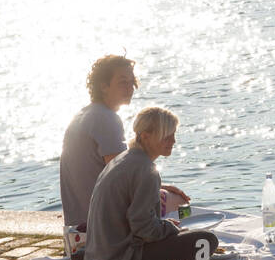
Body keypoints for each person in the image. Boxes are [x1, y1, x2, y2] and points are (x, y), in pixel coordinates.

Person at [84, 106, 217, 260]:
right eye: (167, 136)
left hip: (99, 256)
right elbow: (144, 229)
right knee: (206, 240)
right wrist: (170, 228)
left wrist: (163, 225)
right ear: (145, 136)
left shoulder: (122, 159)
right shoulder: (145, 169)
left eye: (174, 134)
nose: (174, 141)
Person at [59, 55, 189, 231]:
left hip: (77, 220)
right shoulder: (106, 118)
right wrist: (156, 189)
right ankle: (182, 231)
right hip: (98, 224)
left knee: (164, 195)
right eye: (122, 82)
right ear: (103, 86)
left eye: (131, 82)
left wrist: (158, 185)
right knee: (181, 204)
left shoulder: (84, 115)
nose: (130, 88)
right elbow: (123, 178)